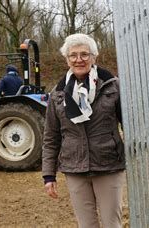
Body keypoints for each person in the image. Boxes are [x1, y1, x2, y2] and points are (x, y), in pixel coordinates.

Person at [42, 33, 125, 228]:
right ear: (67, 59)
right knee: (86, 225)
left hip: (108, 166)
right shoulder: (58, 94)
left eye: (84, 54)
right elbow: (51, 137)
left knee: (112, 223)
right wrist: (49, 175)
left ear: (93, 57)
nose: (79, 59)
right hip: (74, 169)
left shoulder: (112, 86)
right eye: (73, 55)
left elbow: (128, 125)